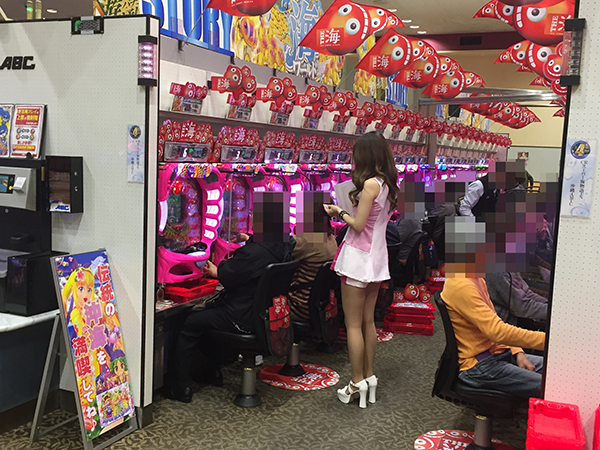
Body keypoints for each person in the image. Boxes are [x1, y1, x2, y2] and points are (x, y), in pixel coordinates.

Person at [165, 234, 295, 403]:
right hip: (267, 317)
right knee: (207, 318)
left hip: (241, 316)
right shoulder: (283, 245)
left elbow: (228, 275)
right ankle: (211, 372)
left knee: (190, 322)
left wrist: (217, 271)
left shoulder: (254, 252)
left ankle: (181, 386)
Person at [323, 131, 399, 408]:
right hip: (377, 257)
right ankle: (369, 376)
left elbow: (357, 225)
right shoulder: (388, 184)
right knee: (368, 322)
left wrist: (338, 212)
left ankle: (356, 381)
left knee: (353, 324)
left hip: (357, 258)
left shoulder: (369, 185)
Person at [442, 277, 546, 399]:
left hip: (499, 353)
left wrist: (517, 351)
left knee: (559, 372)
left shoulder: (477, 279)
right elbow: (497, 332)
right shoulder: (462, 285)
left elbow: (495, 324)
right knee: (553, 387)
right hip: (480, 365)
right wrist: (548, 341)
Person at [289, 203, 338, 322]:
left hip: (299, 307)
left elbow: (276, 250)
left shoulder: (305, 240)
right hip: (321, 305)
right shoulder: (331, 238)